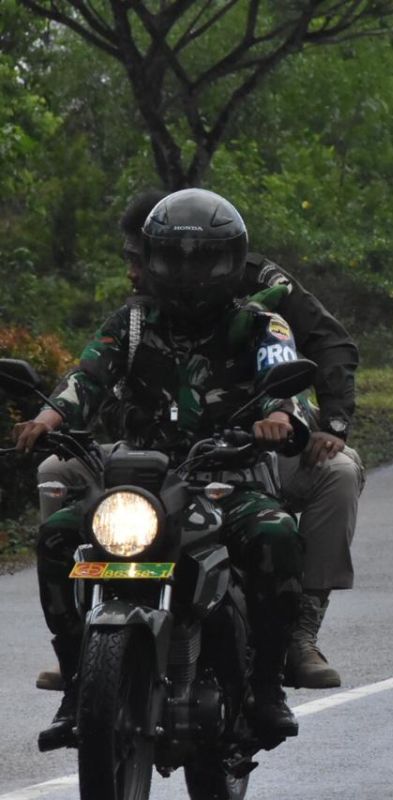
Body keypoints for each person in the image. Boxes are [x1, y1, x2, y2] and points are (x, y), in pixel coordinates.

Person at [37, 189, 363, 690]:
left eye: (204, 262)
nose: (187, 275)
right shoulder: (131, 321)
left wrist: (292, 418)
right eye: (168, 258)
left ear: (229, 260)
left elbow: (292, 375)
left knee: (277, 533)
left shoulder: (261, 317)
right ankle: (78, 659)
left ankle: (277, 667)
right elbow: (85, 377)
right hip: (143, 473)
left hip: (230, 472)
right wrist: (47, 418)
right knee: (58, 531)